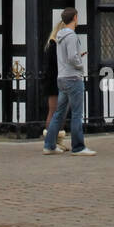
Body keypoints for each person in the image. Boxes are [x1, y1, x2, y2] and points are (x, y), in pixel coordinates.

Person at [42, 8, 95, 156]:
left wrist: (76, 57)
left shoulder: (59, 35)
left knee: (59, 113)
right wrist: (80, 65)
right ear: (75, 17)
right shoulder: (71, 36)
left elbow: (65, 57)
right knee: (77, 114)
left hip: (62, 78)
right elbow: (72, 58)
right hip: (73, 77)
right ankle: (78, 147)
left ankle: (49, 145)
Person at [40, 19, 67, 153]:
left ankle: (57, 141)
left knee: (60, 112)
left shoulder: (55, 45)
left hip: (57, 81)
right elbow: (58, 64)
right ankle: (50, 142)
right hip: (54, 82)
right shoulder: (54, 45)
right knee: (54, 111)